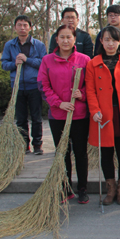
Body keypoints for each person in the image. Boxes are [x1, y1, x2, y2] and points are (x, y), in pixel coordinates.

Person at [38, 25, 91, 203]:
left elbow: (91, 85)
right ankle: (65, 187)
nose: (66, 40)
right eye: (62, 37)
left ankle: (82, 188)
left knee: (80, 152)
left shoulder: (84, 60)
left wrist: (81, 94)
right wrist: (59, 103)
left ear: (74, 39)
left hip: (79, 115)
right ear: (56, 40)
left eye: (69, 37)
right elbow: (43, 86)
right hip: (58, 115)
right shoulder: (47, 60)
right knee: (62, 152)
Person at [86, 26, 120, 205]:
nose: (110, 43)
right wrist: (94, 110)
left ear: (119, 42)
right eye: (107, 39)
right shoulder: (93, 63)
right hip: (103, 113)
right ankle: (110, 188)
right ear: (101, 41)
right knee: (106, 152)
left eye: (114, 40)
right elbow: (90, 90)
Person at [1, 15, 47, 155]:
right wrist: (14, 63)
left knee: (36, 118)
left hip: (34, 86)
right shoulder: (10, 45)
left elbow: (44, 63)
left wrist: (27, 60)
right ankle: (24, 145)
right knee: (21, 119)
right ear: (15, 27)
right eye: (19, 25)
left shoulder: (38, 45)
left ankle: (37, 145)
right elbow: (4, 64)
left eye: (25, 25)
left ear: (30, 27)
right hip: (17, 87)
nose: (22, 28)